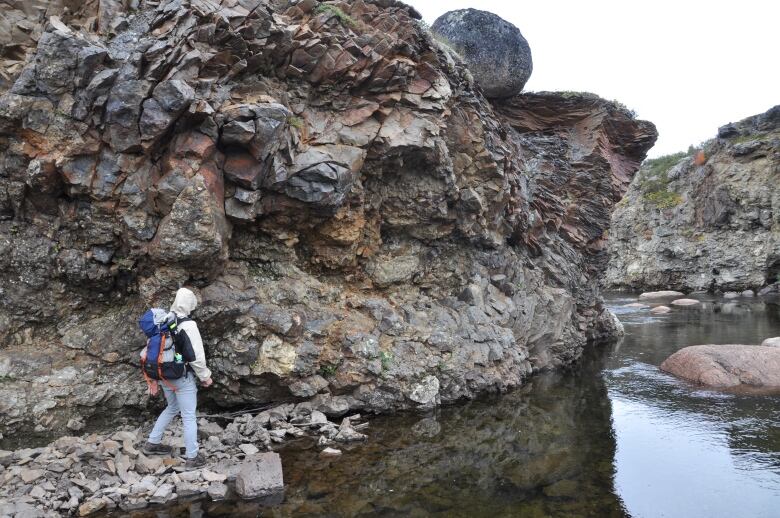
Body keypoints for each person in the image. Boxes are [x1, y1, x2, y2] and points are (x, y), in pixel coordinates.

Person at [142, 288, 212, 468]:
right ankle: (192, 457)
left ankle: (152, 443)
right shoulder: (188, 325)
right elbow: (196, 355)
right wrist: (205, 376)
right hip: (181, 376)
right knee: (188, 416)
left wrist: (153, 380)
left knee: (172, 407)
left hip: (164, 375)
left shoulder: (163, 320)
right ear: (189, 304)